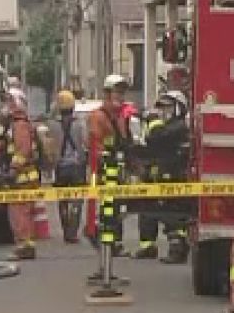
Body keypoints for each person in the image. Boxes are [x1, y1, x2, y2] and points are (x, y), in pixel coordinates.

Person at [130, 90, 192, 262]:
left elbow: (158, 137)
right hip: (155, 175)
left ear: (179, 108)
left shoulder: (179, 126)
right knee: (147, 210)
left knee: (172, 214)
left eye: (168, 107)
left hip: (173, 177)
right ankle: (147, 246)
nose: (163, 111)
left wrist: (152, 120)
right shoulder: (163, 125)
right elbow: (149, 146)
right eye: (161, 108)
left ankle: (177, 248)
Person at [86, 74, 137, 252]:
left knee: (117, 206)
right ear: (107, 93)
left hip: (118, 168)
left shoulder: (121, 116)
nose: (120, 96)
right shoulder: (98, 116)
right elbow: (95, 143)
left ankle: (113, 240)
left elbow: (124, 140)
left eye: (122, 93)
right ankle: (103, 237)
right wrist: (103, 160)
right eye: (117, 92)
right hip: (104, 169)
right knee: (107, 206)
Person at [1, 93, 46, 260]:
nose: (5, 106)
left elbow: (23, 150)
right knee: (23, 212)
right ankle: (26, 245)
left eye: (8, 102)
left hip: (22, 178)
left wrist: (13, 170)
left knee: (19, 213)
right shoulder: (17, 124)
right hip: (24, 177)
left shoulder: (19, 125)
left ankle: (24, 246)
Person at [46, 90, 89, 243]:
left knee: (62, 199)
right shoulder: (79, 124)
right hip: (77, 166)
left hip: (60, 167)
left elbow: (48, 146)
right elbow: (86, 142)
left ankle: (66, 230)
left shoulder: (52, 125)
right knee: (77, 199)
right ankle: (73, 231)